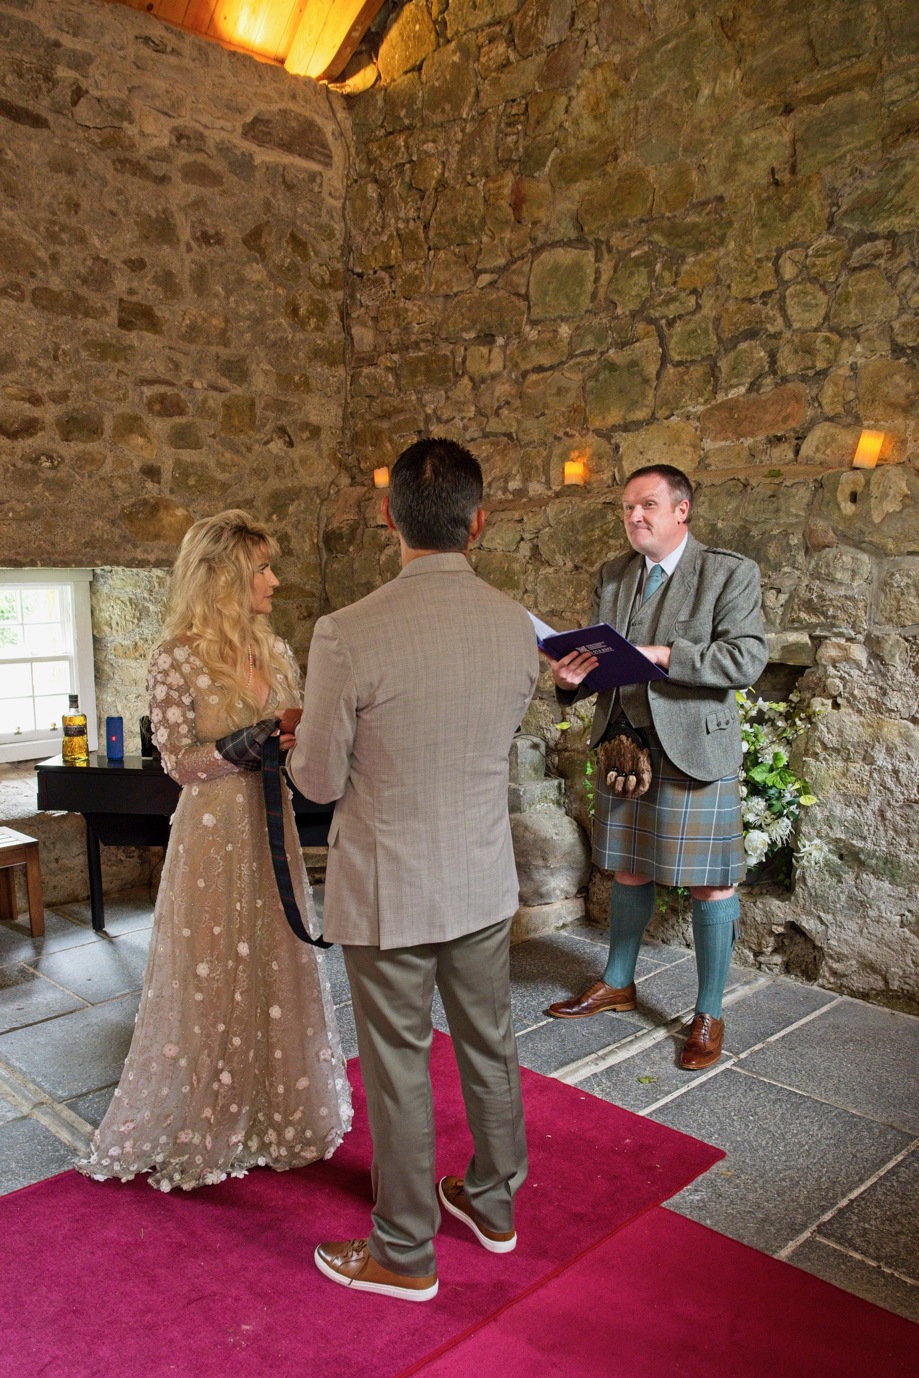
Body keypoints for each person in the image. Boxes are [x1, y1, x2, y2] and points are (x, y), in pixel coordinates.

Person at [286, 438, 538, 1303]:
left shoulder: (346, 631)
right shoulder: (516, 623)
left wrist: (305, 740)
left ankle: (402, 1251)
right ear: (479, 522)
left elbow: (317, 781)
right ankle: (495, 1205)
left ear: (388, 517)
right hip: (477, 876)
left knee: (396, 1064)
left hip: (390, 884)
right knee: (490, 1045)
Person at [77, 510, 351, 1191]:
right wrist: (245, 742)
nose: (274, 580)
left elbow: (293, 734)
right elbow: (176, 761)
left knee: (275, 958)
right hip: (210, 835)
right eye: (262, 568)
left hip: (272, 826)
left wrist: (293, 737)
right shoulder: (176, 656)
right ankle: (207, 1111)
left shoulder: (278, 649)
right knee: (208, 968)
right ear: (225, 575)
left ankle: (277, 1108)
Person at [545, 465, 768, 1069]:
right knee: (629, 870)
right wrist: (569, 680)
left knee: (710, 881)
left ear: (682, 510)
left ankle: (709, 1011)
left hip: (695, 748)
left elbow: (746, 657)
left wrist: (665, 654)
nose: (634, 517)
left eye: (646, 505)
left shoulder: (727, 572)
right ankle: (618, 982)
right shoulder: (613, 576)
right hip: (625, 745)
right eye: (626, 508)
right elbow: (596, 662)